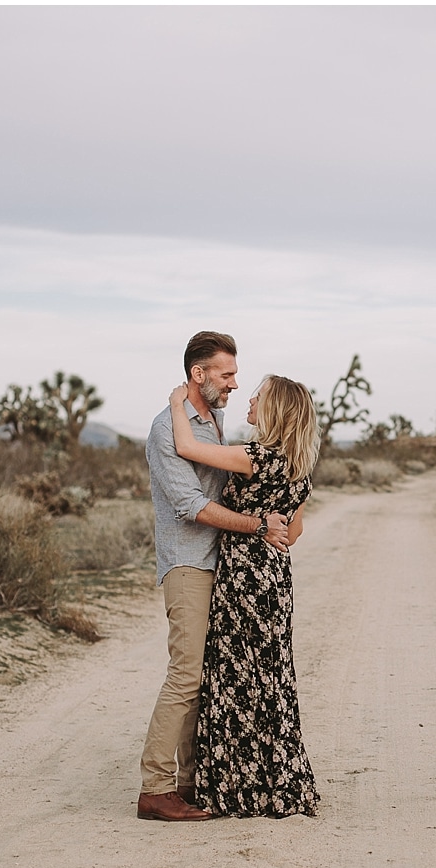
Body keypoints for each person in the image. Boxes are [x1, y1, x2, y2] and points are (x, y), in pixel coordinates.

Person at [137, 330, 296, 822]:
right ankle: (156, 789)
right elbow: (188, 504)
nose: (233, 383)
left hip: (223, 564)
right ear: (197, 374)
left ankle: (190, 782)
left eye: (235, 374)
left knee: (209, 675)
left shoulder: (214, 418)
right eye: (226, 374)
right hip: (190, 562)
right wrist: (257, 526)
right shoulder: (168, 429)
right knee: (185, 674)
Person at [166, 376, 319, 818]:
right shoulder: (296, 467)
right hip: (275, 580)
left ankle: (235, 788)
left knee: (234, 678)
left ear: (276, 410)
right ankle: (278, 785)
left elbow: (188, 449)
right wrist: (269, 526)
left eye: (259, 396)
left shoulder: (255, 457)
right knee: (270, 678)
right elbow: (294, 532)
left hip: (243, 580)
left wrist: (178, 404)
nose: (249, 399)